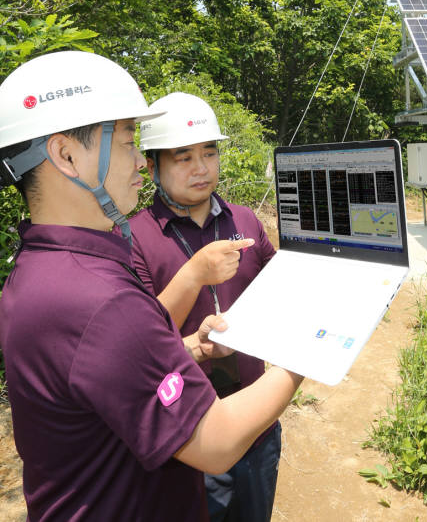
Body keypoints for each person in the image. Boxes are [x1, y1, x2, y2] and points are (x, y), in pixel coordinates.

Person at [0, 51, 303, 522]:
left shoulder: (42, 269)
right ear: (65, 155)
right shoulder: (97, 298)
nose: (138, 161)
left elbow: (116, 369)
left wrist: (195, 351)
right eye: (125, 142)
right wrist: (311, 351)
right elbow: (215, 442)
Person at [129, 92, 280, 522]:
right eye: (183, 157)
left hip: (256, 421)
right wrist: (193, 282)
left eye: (209, 152)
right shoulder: (135, 239)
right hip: (186, 434)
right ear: (153, 165)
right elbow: (140, 338)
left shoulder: (245, 221)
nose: (201, 167)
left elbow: (279, 290)